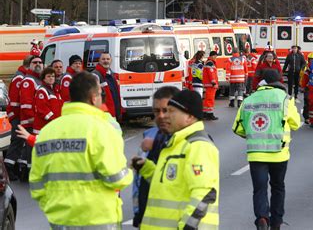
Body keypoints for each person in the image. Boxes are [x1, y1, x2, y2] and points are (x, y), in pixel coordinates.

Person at [29, 71, 132, 228]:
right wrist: (129, 171)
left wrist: (53, 208)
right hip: (98, 219)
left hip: (59, 220)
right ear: (93, 97)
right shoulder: (103, 129)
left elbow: (36, 183)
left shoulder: (47, 132)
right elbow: (116, 178)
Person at [132, 90, 220, 229]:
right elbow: (171, 185)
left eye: (171, 111)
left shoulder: (198, 146)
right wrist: (147, 169)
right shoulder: (175, 143)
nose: (165, 116)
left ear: (189, 117)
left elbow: (204, 194)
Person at [232, 69, 301, 230]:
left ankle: (262, 218)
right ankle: (276, 221)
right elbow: (296, 124)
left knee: (259, 189)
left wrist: (252, 133)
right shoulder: (286, 99)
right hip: (279, 154)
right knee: (278, 187)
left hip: (256, 155)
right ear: (278, 82)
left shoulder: (249, 100)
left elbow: (237, 128)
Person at [132, 86, 179, 227]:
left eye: (166, 110)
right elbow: (140, 183)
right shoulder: (151, 137)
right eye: (156, 111)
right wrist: (138, 213)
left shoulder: (191, 141)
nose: (161, 116)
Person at [4, 55, 33, 180]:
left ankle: (15, 168)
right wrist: (18, 117)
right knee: (17, 142)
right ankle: (8, 169)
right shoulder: (20, 78)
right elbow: (16, 101)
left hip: (19, 116)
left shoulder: (22, 76)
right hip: (17, 116)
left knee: (20, 142)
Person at [17, 55, 43, 179]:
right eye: (35, 62)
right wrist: (32, 118)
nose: (38, 64)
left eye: (40, 62)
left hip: (37, 121)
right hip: (30, 121)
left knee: (32, 148)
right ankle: (27, 173)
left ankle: (29, 172)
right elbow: (26, 102)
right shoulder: (29, 80)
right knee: (30, 148)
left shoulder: (38, 79)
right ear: (30, 65)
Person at [32, 67, 63, 135]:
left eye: (53, 76)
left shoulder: (55, 91)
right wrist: (54, 119)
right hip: (42, 128)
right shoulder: (42, 90)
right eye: (48, 76)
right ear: (44, 78)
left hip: (52, 127)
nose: (51, 78)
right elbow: (42, 109)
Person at [92, 52, 121, 119]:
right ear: (99, 60)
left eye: (108, 59)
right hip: (103, 114)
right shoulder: (95, 75)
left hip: (113, 113)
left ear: (111, 60)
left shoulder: (112, 75)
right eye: (103, 59)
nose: (106, 61)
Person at [300, 52, 313, 124]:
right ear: (308, 59)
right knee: (307, 102)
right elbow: (301, 76)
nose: (312, 61)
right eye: (311, 59)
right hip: (307, 87)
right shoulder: (305, 66)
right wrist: (302, 86)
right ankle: (306, 117)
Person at [203, 51, 219, 120]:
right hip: (210, 85)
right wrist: (214, 83)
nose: (216, 58)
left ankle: (205, 113)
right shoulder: (210, 63)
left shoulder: (208, 62)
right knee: (210, 99)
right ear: (213, 56)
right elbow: (211, 74)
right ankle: (210, 114)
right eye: (215, 56)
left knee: (207, 99)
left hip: (208, 84)